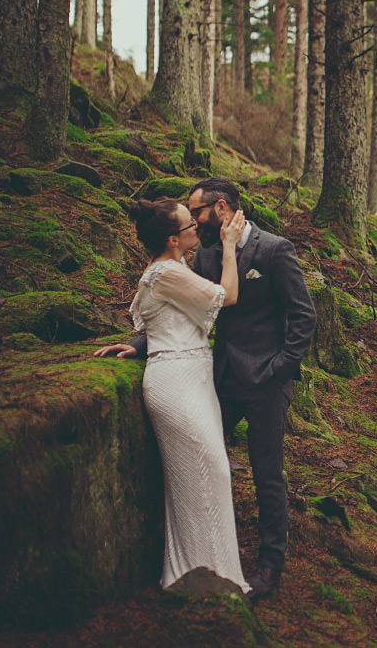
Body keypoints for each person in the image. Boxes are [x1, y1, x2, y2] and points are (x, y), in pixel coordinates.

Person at [96, 178, 317, 601]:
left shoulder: (274, 250)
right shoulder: (209, 254)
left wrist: (281, 369)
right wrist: (141, 343)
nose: (194, 220)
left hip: (268, 382)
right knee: (206, 462)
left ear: (219, 208)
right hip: (219, 379)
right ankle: (205, 551)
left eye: (197, 211)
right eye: (190, 215)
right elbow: (185, 306)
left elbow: (303, 317)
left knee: (267, 472)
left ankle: (270, 565)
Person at [115, 196, 250, 596]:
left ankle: (211, 575)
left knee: (208, 474)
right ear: (174, 239)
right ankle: (197, 577)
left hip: (194, 378)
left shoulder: (173, 268)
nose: (197, 228)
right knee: (204, 474)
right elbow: (227, 296)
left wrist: (136, 345)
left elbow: (171, 318)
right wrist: (228, 246)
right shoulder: (165, 274)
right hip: (175, 382)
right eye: (190, 226)